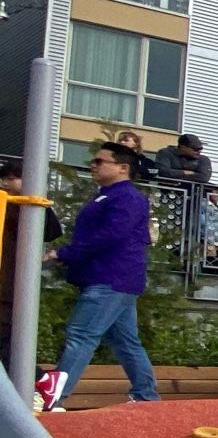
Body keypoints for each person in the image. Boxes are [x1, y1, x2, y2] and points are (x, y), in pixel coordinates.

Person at [45, 144, 158, 406]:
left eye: (99, 161)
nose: (93, 165)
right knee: (124, 341)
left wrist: (66, 254)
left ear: (122, 167)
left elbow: (110, 235)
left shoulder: (126, 197)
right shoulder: (110, 196)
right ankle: (146, 395)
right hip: (115, 278)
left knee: (80, 336)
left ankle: (53, 399)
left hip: (109, 278)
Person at [1, 158, 64, 374]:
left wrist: (37, 202)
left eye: (13, 179)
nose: (7, 184)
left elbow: (52, 231)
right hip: (8, 281)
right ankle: (39, 379)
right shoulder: (6, 205)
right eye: (5, 179)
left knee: (6, 339)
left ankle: (39, 379)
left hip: (12, 282)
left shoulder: (25, 207)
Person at [150, 132, 212, 247]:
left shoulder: (203, 159)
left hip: (195, 200)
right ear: (182, 147)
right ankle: (169, 255)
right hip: (170, 198)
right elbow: (163, 172)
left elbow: (204, 177)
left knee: (194, 231)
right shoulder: (165, 153)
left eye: (200, 148)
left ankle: (189, 259)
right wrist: (186, 172)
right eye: (195, 148)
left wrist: (176, 174)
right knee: (168, 229)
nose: (199, 151)